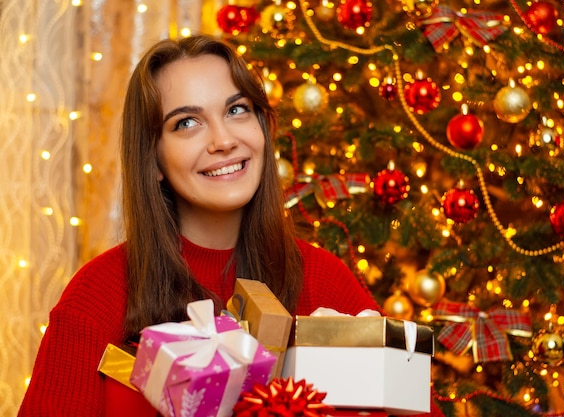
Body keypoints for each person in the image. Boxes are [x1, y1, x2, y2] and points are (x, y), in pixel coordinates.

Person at [18, 34, 380, 417]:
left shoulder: (323, 280)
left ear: (262, 128)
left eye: (236, 110)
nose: (223, 140)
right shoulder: (97, 295)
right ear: (153, 160)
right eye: (187, 122)